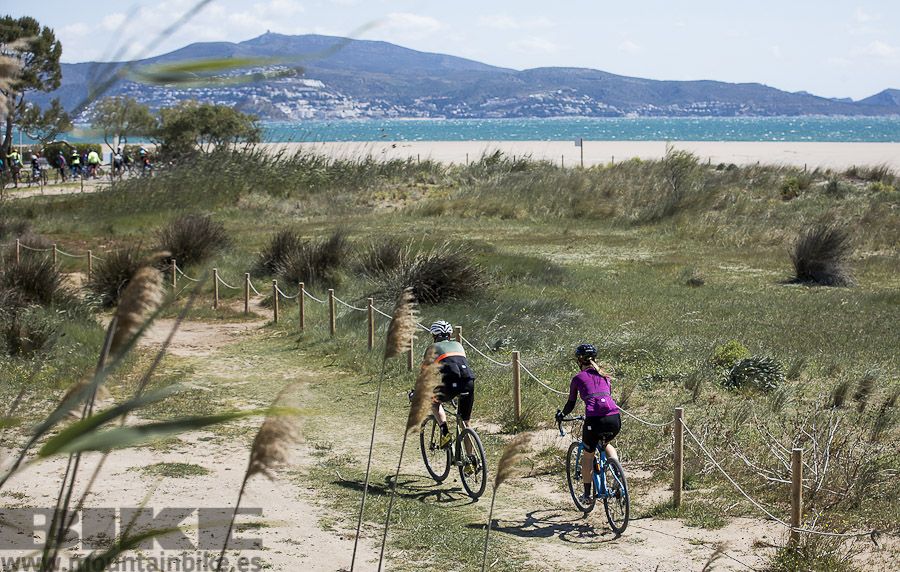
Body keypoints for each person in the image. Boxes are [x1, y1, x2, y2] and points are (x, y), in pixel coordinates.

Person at [555, 343, 622, 505]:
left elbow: (571, 403)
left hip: (594, 420)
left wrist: (562, 415)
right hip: (614, 418)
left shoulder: (577, 378)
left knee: (588, 455)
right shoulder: (605, 376)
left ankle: (586, 495)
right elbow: (604, 398)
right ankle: (617, 472)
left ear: (579, 360)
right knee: (606, 443)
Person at [425, 320, 476, 448]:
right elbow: (457, 364)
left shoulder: (432, 348)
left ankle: (445, 433)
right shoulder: (458, 345)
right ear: (449, 335)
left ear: (434, 336)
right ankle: (471, 460)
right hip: (469, 381)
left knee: (433, 401)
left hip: (451, 382)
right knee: (465, 422)